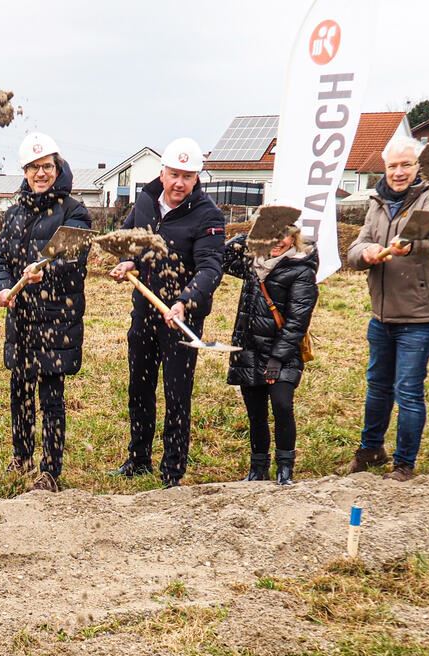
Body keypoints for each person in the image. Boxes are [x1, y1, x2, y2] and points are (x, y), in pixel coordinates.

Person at [109, 138, 226, 487]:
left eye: (187, 177)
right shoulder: (145, 202)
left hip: (182, 317)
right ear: (162, 172)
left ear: (197, 178)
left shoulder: (209, 216)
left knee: (177, 393)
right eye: (174, 174)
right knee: (139, 387)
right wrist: (126, 260)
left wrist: (184, 300)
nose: (178, 183)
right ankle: (138, 458)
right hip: (145, 309)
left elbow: (210, 268)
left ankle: (172, 469)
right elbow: (130, 240)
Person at [345, 136, 429, 480]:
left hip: (420, 316)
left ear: (418, 166)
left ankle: (404, 464)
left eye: (406, 165)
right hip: (382, 315)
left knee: (407, 390)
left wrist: (411, 244)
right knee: (377, 386)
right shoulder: (377, 202)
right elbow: (356, 246)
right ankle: (371, 450)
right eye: (393, 165)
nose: (399, 172)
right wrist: (364, 253)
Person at [0, 133, 92, 492]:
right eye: (34, 168)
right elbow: (0, 258)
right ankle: (22, 456)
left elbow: (71, 259)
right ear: (25, 171)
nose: (41, 173)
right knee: (19, 390)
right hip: (22, 318)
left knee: (51, 396)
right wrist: (3, 287)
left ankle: (50, 470)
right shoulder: (15, 213)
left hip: (55, 317)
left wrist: (44, 271)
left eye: (46, 166)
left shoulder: (74, 211)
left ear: (57, 166)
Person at [222, 227, 318, 485]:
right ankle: (258, 468)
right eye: (270, 235)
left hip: (282, 353)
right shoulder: (253, 262)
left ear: (294, 237)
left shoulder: (301, 269)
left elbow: (298, 321)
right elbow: (222, 258)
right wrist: (249, 235)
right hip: (249, 350)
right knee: (256, 414)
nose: (276, 242)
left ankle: (285, 468)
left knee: (282, 407)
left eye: (283, 236)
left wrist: (278, 358)